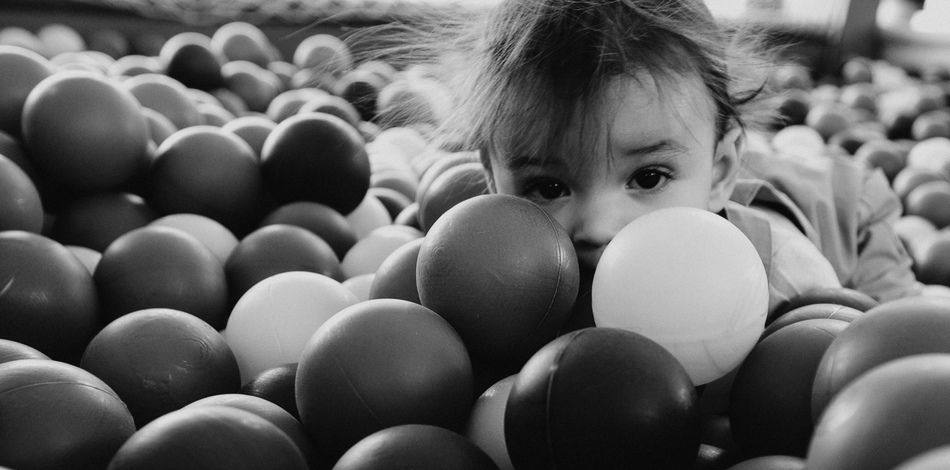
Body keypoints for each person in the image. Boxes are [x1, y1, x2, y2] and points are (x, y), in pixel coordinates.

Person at [383, 0, 922, 320]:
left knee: (905, 327)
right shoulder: (482, 273)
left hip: (839, 214)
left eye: (647, 177)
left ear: (719, 172)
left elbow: (848, 357)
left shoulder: (780, 279)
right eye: (548, 187)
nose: (598, 228)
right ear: (490, 175)